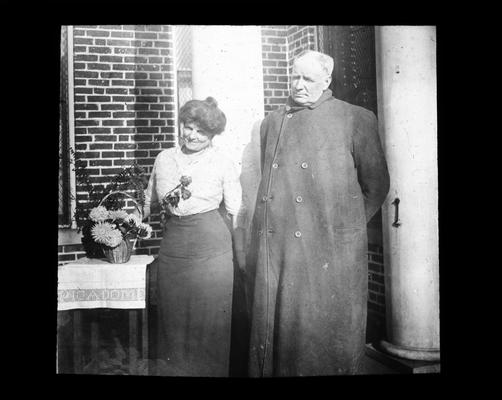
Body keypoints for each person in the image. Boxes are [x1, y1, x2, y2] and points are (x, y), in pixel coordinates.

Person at [244, 50, 390, 376]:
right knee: (279, 333)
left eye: (307, 79)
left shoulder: (355, 118)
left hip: (328, 253)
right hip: (279, 249)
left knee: (321, 341)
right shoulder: (272, 122)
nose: (298, 85)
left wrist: (339, 228)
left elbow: (377, 187)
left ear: (327, 80)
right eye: (294, 77)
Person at [141, 97, 242, 376]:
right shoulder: (164, 159)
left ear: (212, 135)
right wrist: (126, 223)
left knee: (209, 322)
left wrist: (237, 254)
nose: (193, 136)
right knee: (172, 320)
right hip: (173, 247)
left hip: (211, 251)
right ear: (181, 126)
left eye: (202, 132)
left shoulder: (222, 162)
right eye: (188, 127)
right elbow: (148, 202)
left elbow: (236, 211)